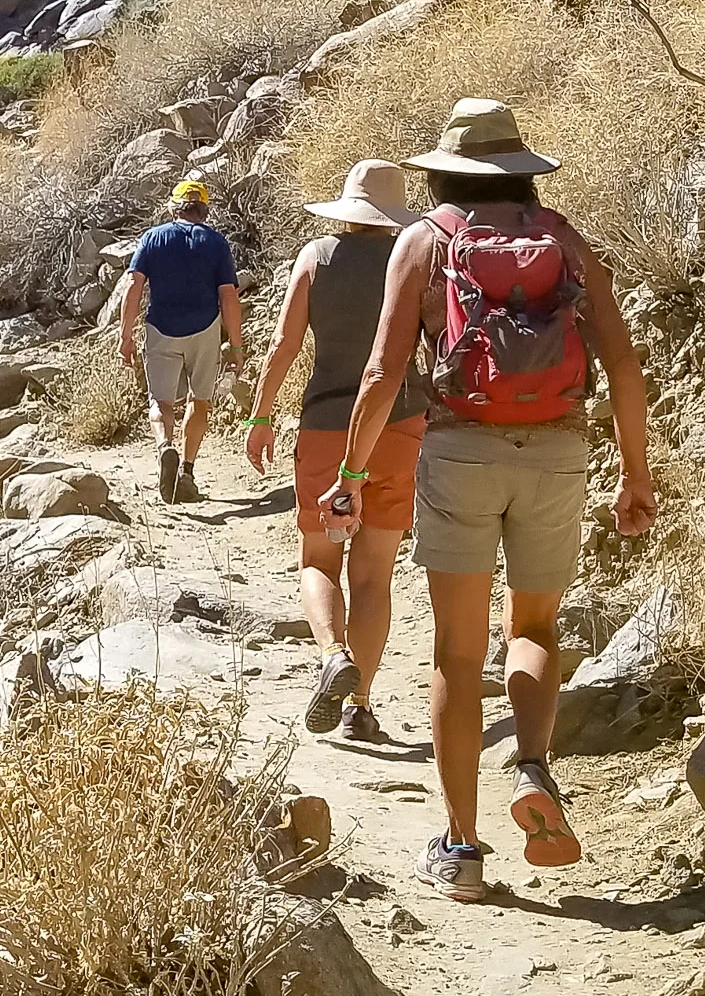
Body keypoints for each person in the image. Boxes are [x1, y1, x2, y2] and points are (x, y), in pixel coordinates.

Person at [326, 100, 658, 903]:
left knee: (457, 653)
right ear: (520, 171)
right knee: (535, 627)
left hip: (458, 447)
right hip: (558, 449)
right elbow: (622, 365)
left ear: (443, 171)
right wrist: (637, 476)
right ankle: (534, 766)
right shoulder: (565, 240)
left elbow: (380, 374)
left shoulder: (425, 240)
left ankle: (462, 848)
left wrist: (351, 473)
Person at [242, 160, 430, 744]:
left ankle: (332, 654)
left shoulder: (316, 257)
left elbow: (285, 342)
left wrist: (261, 412)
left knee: (319, 560)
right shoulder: (418, 260)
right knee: (375, 574)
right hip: (400, 427)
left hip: (326, 426)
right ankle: (360, 707)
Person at [120, 179, 243, 503]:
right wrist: (236, 345)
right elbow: (228, 295)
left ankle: (165, 447)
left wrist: (125, 335)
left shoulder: (153, 238)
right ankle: (186, 471)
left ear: (173, 208)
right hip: (204, 331)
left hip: (161, 329)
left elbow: (133, 287)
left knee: (160, 403)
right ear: (204, 210)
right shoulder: (215, 242)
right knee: (198, 401)